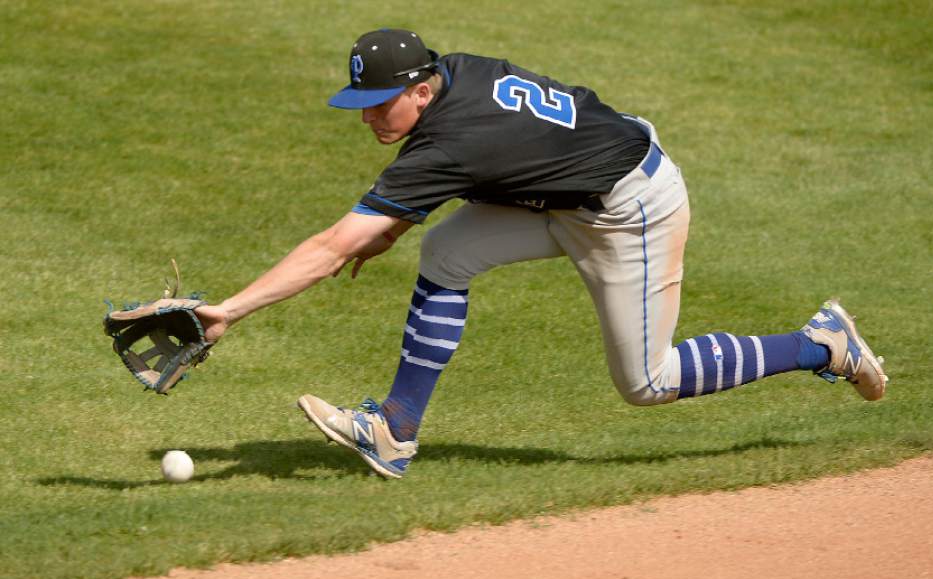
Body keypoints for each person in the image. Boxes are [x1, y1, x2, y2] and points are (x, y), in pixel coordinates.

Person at [195, 29, 888, 479]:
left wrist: (229, 310)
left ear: (421, 90)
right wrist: (396, 229)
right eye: (363, 106)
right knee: (447, 250)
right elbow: (476, 171)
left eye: (381, 105)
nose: (371, 118)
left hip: (630, 208)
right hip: (572, 185)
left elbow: (332, 244)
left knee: (646, 381)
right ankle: (394, 431)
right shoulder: (455, 74)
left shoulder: (449, 139)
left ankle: (819, 343)